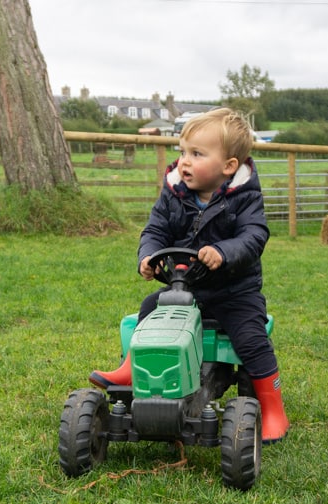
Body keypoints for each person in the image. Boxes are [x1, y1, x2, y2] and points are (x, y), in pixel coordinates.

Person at [89, 107, 289, 443]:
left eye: (197, 154)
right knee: (150, 308)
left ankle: (272, 410)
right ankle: (129, 368)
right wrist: (148, 255)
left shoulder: (245, 197)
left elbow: (254, 236)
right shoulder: (174, 192)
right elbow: (155, 229)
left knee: (252, 340)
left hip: (234, 291)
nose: (184, 161)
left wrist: (224, 252)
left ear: (228, 166)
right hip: (187, 287)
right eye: (182, 151)